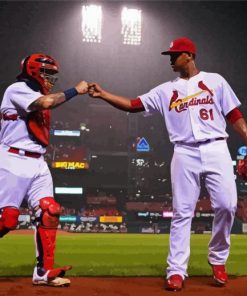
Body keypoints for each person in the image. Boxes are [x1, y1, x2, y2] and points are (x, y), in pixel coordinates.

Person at [88, 37, 247, 291]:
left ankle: (218, 260)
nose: (171, 59)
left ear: (190, 56)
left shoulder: (216, 81)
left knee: (227, 206)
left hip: (217, 147)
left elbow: (234, 115)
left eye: (175, 54)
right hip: (184, 152)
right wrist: (103, 93)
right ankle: (176, 271)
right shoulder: (164, 90)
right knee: (182, 212)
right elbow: (132, 105)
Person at [0, 53, 88, 287]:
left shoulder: (37, 93)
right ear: (33, 71)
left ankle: (43, 272)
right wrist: (74, 90)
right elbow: (46, 103)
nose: (51, 79)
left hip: (38, 161)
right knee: (7, 220)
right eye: (47, 73)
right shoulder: (16, 89)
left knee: (49, 211)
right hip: (12, 158)